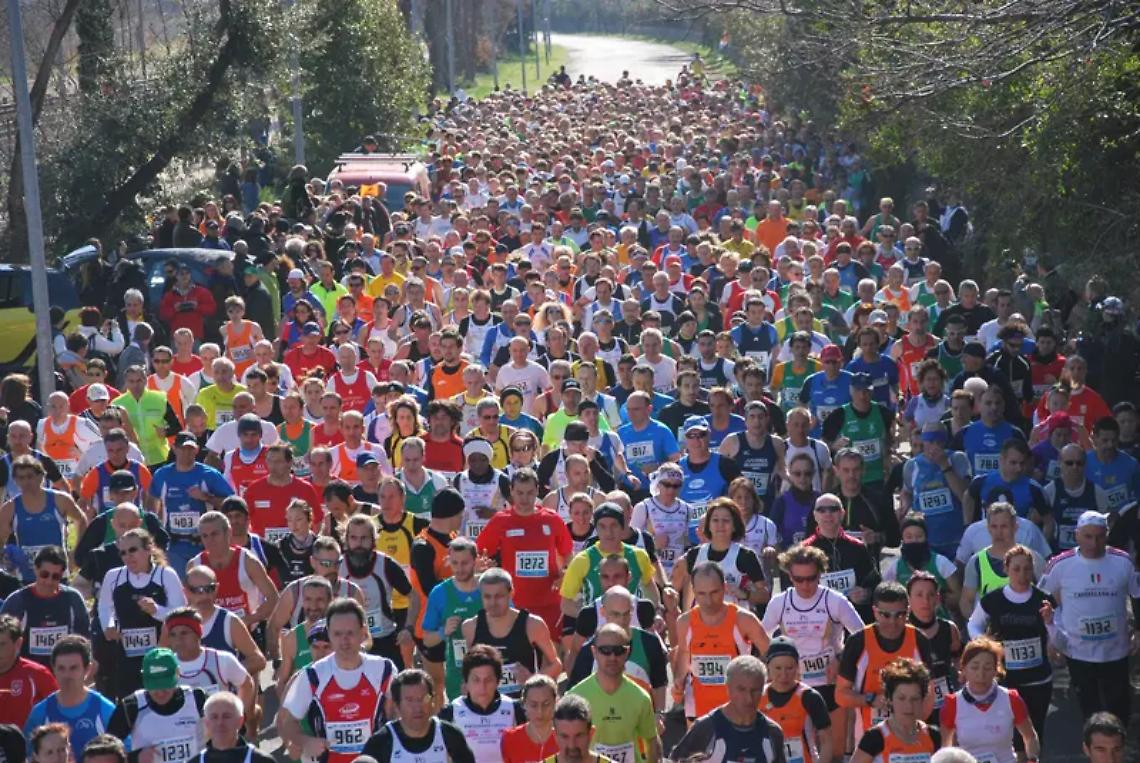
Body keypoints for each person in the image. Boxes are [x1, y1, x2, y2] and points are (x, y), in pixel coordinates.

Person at [1039, 510, 1140, 724]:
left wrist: (1138, 631)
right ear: (1076, 535)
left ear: (1107, 534)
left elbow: (1137, 596)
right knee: (1089, 712)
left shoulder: (1123, 562)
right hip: (1079, 651)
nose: (1094, 543)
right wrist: (1051, 636)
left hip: (1116, 651)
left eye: (1100, 536)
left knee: (1120, 712)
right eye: (1088, 537)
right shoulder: (1060, 564)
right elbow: (1043, 602)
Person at [763, 544, 863, 758]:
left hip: (830, 685)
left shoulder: (834, 600)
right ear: (790, 575)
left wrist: (841, 658)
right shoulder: (780, 603)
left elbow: (861, 637)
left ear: (820, 574)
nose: (806, 585)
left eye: (812, 578)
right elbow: (761, 638)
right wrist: (772, 666)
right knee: (798, 752)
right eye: (799, 579)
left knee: (834, 752)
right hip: (792, 686)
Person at [278, 597, 398, 763]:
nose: (344, 641)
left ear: (363, 633)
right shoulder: (312, 675)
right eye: (337, 634)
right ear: (329, 633)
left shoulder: (384, 670)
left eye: (350, 633)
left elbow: (399, 715)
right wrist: (306, 741)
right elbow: (289, 722)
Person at [476, 468, 572, 636]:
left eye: (529, 493)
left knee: (552, 654)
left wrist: (565, 573)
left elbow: (568, 554)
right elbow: (481, 553)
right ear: (511, 491)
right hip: (514, 604)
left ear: (537, 490)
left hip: (549, 603)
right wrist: (486, 566)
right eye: (519, 493)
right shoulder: (500, 520)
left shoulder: (552, 519)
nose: (524, 498)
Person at [672, 561, 770, 721]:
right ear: (693, 591)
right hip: (698, 709)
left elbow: (771, 654)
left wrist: (755, 684)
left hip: (739, 710)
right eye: (701, 594)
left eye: (714, 592)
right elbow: (684, 654)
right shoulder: (685, 622)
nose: (709, 601)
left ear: (725, 587)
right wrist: (678, 682)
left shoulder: (743, 619)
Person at [836, 582, 935, 740]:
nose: (892, 622)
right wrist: (871, 699)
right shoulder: (858, 641)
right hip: (869, 738)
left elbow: (930, 692)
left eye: (900, 615)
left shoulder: (919, 639)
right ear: (875, 612)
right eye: (885, 615)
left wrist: (914, 723)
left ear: (908, 611)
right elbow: (841, 695)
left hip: (910, 735)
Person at [98, 529, 186, 699]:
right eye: (123, 552)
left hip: (161, 655)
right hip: (126, 656)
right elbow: (104, 607)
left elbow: (180, 616)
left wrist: (157, 611)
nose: (128, 556)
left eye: (133, 550)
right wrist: (108, 626)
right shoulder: (114, 576)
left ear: (148, 549)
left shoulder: (165, 575)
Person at [566, 623, 661, 763]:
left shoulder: (641, 696)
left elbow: (651, 740)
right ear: (594, 652)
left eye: (618, 650)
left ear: (627, 652)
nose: (612, 657)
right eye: (605, 650)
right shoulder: (576, 697)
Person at [940, 637, 1041, 763]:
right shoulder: (952, 704)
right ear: (964, 669)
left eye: (987, 668)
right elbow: (946, 748)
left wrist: (1032, 759)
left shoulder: (1011, 699)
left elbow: (1030, 737)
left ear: (995, 670)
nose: (981, 674)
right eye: (975, 667)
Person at [671, 655, 786, 762]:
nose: (748, 698)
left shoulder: (773, 733)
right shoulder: (706, 728)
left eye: (755, 690)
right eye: (741, 689)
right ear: (728, 688)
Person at [162, 607, 256, 737]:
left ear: (198, 634)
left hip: (220, 735)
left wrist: (238, 716)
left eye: (184, 633)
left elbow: (246, 684)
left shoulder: (222, 659)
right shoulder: (166, 667)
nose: (178, 640)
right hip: (185, 738)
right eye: (173, 635)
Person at [337, 513, 415, 667]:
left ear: (373, 539)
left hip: (384, 640)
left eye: (364, 538)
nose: (359, 543)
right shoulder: (337, 567)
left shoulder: (386, 564)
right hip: (347, 643)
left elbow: (414, 597)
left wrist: (408, 628)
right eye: (353, 538)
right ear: (345, 540)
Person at [106, 648, 208, 763]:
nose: (160, 692)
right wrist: (136, 757)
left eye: (165, 685)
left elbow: (222, 742)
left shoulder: (197, 699)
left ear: (178, 674)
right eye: (154, 686)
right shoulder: (131, 707)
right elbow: (106, 754)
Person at [23, 636, 115, 761]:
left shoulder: (105, 710)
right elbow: (27, 757)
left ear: (87, 669)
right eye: (61, 668)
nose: (67, 675)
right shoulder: (39, 714)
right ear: (53, 670)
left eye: (73, 668)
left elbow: (124, 754)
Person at [0, 456, 87, 582]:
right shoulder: (10, 508)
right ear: (15, 481)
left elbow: (81, 521)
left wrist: (76, 553)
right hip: (27, 577)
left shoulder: (60, 500)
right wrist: (7, 559)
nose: (26, 482)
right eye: (21, 478)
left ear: (41, 476)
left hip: (57, 574)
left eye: (30, 476)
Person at [360, 668, 475, 763]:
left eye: (422, 699)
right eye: (409, 700)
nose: (417, 707)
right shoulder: (381, 742)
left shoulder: (450, 735)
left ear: (433, 701)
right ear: (397, 705)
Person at [437, 645, 526, 763]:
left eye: (488, 680)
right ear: (466, 682)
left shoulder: (515, 709)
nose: (482, 687)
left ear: (497, 681)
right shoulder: (450, 713)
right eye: (476, 680)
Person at [0, 546, 89, 665]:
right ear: (36, 569)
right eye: (44, 574)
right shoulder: (18, 601)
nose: (49, 581)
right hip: (27, 673)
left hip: (62, 673)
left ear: (62, 575)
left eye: (55, 576)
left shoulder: (73, 599)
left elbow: (84, 640)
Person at [420, 536, 483, 702]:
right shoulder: (439, 593)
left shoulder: (489, 587)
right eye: (455, 563)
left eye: (465, 563)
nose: (460, 568)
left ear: (475, 561)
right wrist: (443, 632)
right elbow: (427, 640)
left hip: (492, 670)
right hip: (458, 675)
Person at [801, 493, 880, 619]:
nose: (828, 514)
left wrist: (866, 593)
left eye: (833, 509)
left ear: (842, 514)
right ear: (815, 516)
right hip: (817, 618)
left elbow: (874, 582)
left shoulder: (858, 547)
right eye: (821, 510)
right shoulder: (804, 550)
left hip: (854, 615)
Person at [849, 658, 942, 763]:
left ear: (922, 699)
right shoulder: (875, 738)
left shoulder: (933, 736)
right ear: (889, 699)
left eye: (914, 699)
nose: (908, 706)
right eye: (901, 698)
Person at [758, 636, 834, 763]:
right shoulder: (759, 696)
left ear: (798, 667)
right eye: (778, 668)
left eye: (789, 668)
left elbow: (826, 741)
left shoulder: (809, 697)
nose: (784, 675)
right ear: (768, 667)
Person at [0, 614, 58, 728]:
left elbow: (58, 714)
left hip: (25, 744)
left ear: (18, 643)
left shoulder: (37, 675)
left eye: (1, 644)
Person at [195, 690, 275, 763]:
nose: (220, 723)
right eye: (214, 717)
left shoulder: (261, 761)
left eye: (226, 716)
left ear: (240, 721)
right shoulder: (196, 761)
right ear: (206, 723)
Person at [500, 674, 559, 763]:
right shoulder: (510, 738)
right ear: (524, 704)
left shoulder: (566, 738)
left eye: (546, 704)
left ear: (555, 703)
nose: (540, 711)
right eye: (533, 705)